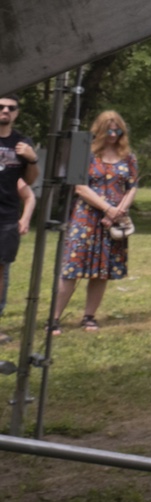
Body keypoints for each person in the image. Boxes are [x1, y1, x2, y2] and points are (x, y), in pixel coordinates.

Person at [49, 111, 137, 334]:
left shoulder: (128, 157)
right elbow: (79, 187)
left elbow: (132, 186)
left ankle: (89, 316)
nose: (113, 134)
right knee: (71, 268)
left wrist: (120, 210)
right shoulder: (84, 153)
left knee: (102, 270)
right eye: (109, 130)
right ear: (99, 130)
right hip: (86, 218)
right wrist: (107, 208)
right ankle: (54, 318)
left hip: (115, 220)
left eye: (118, 130)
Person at [0, 95, 40, 330]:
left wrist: (32, 159)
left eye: (10, 108)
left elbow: (29, 181)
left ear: (16, 113)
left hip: (6, 215)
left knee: (2, 267)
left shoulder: (22, 143)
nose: (5, 111)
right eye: (1, 107)